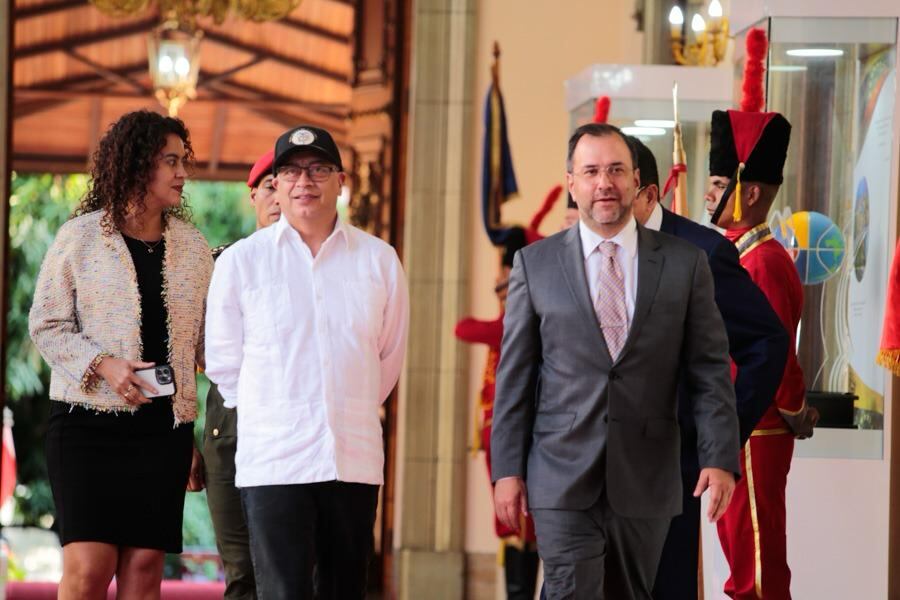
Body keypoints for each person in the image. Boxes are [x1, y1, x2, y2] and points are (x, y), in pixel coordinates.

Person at [491, 122, 740, 600]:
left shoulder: (685, 264)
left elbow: (708, 367)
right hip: (560, 474)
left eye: (615, 170)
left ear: (636, 181)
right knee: (571, 589)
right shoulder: (535, 265)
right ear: (571, 183)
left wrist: (719, 455)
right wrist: (507, 469)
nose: (604, 182)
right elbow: (515, 375)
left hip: (646, 475)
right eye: (591, 171)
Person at [204, 125, 409, 599]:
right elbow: (224, 364)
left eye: (318, 169)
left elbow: (388, 357)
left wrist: (342, 402)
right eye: (291, 171)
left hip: (352, 461)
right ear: (274, 184)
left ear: (341, 180)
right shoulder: (242, 263)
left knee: (345, 590)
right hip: (274, 464)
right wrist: (274, 413)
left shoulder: (379, 261)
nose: (305, 181)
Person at [29, 110, 212, 599]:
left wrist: (193, 425)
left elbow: (207, 346)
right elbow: (46, 323)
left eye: (182, 161)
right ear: (136, 164)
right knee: (89, 568)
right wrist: (102, 364)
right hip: (86, 424)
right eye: (169, 161)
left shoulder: (194, 248)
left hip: (162, 432)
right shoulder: (81, 237)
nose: (181, 173)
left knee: (144, 571)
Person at [626, 137, 790, 599]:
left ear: (647, 191)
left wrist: (720, 436)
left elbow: (767, 342)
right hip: (592, 463)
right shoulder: (588, 248)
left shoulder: (702, 251)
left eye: (617, 177)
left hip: (670, 462)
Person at [705, 107, 818, 600]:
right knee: (739, 551)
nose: (708, 194)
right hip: (741, 425)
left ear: (749, 192)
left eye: (717, 182)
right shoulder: (742, 256)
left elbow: (774, 355)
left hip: (759, 427)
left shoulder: (766, 262)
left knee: (756, 563)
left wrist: (794, 409)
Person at [203, 149, 278, 600]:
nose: (276, 196)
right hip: (226, 431)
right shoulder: (221, 263)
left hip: (287, 432)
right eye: (267, 187)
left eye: (282, 185)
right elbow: (189, 351)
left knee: (288, 569)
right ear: (252, 196)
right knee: (241, 573)